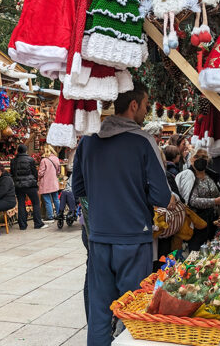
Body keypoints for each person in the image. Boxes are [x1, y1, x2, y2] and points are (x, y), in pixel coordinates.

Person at [73, 81, 173, 346]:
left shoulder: (88, 141)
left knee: (99, 313)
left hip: (99, 238)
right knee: (133, 314)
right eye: (146, 105)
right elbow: (162, 197)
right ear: (134, 105)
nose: (146, 111)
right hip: (133, 237)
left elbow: (78, 188)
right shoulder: (143, 141)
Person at [176, 148, 220, 251]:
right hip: (196, 222)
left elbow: (218, 194)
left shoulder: (211, 175)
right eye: (197, 156)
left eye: (204, 157)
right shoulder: (188, 176)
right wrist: (215, 201)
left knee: (212, 250)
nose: (201, 159)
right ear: (191, 159)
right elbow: (192, 201)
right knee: (197, 252)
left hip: (212, 221)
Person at [10, 145, 46, 230]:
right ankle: (38, 223)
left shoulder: (13, 161)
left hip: (18, 185)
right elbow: (34, 172)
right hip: (30, 184)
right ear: (26, 151)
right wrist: (35, 179)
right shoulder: (30, 160)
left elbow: (12, 173)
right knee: (36, 202)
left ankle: (22, 225)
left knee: (21, 204)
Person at [38, 145, 61, 222]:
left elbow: (41, 173)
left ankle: (50, 216)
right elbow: (58, 171)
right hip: (54, 181)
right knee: (56, 199)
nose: (40, 151)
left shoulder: (44, 160)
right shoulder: (56, 158)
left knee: (47, 200)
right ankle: (59, 214)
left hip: (46, 183)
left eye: (42, 149)